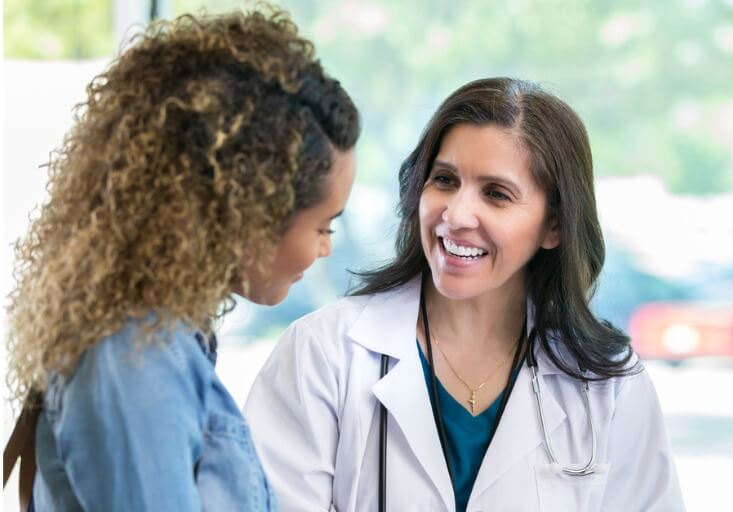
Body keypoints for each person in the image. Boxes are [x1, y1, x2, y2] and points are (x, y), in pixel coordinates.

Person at [244, 77, 685, 511]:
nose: (455, 215)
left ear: (554, 226)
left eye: (496, 194)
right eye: (444, 180)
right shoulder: (323, 355)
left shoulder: (607, 384)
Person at [3, 7, 360, 510]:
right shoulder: (132, 360)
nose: (325, 247)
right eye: (322, 225)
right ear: (246, 211)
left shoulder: (165, 342)